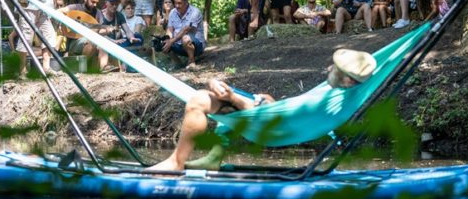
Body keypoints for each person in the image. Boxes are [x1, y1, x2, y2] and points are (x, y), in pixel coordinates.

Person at [148, 49, 376, 171]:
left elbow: (270, 118)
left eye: (335, 67)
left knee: (199, 100)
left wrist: (233, 97)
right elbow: (274, 108)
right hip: (275, 116)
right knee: (236, 94)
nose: (329, 67)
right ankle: (213, 158)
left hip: (271, 125)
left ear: (347, 79)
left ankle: (176, 162)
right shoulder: (338, 91)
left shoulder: (325, 101)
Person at [161, 0, 206, 70]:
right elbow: (170, 29)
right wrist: (168, 39)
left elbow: (186, 30)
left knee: (185, 38)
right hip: (179, 44)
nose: (177, 6)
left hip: (196, 45)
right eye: (175, 3)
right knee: (164, 42)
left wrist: (171, 41)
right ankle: (177, 62)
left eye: (179, 3)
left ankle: (192, 61)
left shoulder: (195, 12)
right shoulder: (173, 12)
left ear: (186, 2)